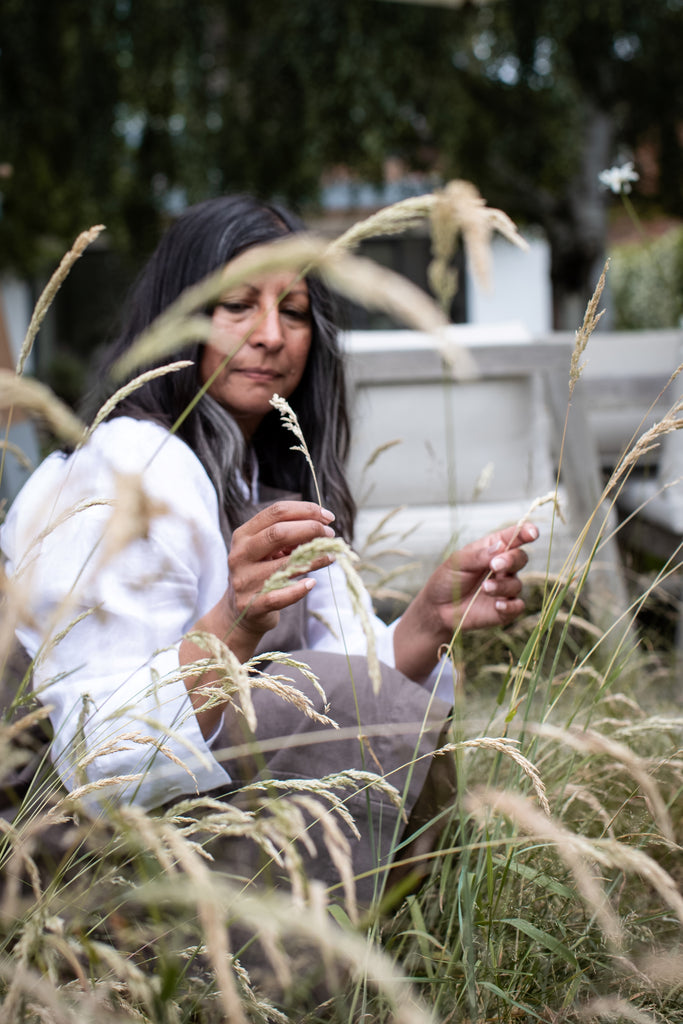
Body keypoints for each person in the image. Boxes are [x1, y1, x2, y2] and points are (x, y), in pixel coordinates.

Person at [1, 194, 537, 907]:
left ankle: (373, 941)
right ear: (179, 316)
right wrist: (236, 623)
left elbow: (371, 692)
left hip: (180, 819)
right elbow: (101, 758)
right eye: (237, 305)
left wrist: (430, 619)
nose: (270, 335)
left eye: (292, 310)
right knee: (324, 695)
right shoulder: (132, 466)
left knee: (344, 696)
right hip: (64, 850)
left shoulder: (270, 476)